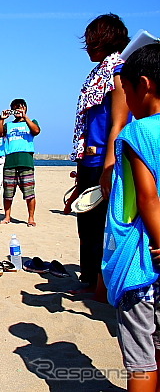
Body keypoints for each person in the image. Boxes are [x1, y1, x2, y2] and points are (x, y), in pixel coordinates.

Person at [101, 44, 160, 391]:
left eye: (125, 92)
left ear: (143, 84)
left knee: (141, 359)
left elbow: (147, 197)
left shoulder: (138, 132)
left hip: (142, 261)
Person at [70, 13, 130, 298]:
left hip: (105, 160)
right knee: (87, 222)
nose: (89, 47)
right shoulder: (98, 72)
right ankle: (90, 279)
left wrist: (109, 164)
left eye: (94, 41)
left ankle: (101, 287)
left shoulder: (118, 70)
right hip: (88, 158)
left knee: (104, 226)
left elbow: (118, 122)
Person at [0, 99, 40, 226]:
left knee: (29, 192)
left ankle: (31, 218)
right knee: (8, 193)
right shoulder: (8, 125)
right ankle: (7, 216)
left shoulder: (31, 122)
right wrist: (2, 119)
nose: (17, 111)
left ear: (25, 108)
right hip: (10, 161)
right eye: (14, 108)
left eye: (19, 108)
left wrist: (25, 116)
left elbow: (36, 131)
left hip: (26, 161)